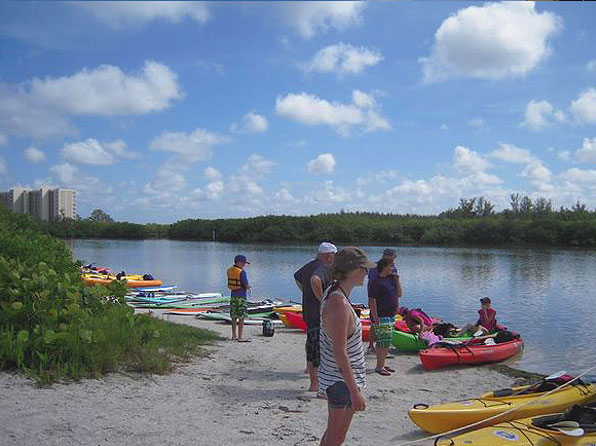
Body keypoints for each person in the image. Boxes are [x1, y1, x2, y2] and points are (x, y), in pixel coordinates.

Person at [318, 247, 374, 446]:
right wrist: (354, 390)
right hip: (340, 381)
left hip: (340, 378)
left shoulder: (335, 292)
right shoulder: (338, 304)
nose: (367, 274)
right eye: (364, 269)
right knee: (335, 438)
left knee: (334, 436)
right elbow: (339, 351)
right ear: (353, 270)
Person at [294, 242, 336, 391]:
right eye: (334, 256)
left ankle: (310, 373)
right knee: (318, 348)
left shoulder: (309, 265)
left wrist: (306, 292)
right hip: (319, 314)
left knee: (311, 344)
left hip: (309, 311)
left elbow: (297, 276)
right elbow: (315, 280)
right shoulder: (322, 268)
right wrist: (322, 300)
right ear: (329, 256)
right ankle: (315, 384)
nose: (335, 259)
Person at [369, 257, 402, 376]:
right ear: (384, 267)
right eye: (390, 266)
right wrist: (375, 316)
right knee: (382, 342)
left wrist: (397, 281)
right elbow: (372, 300)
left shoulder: (391, 279)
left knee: (387, 341)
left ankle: (382, 363)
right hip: (381, 315)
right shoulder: (376, 282)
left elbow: (399, 294)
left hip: (391, 315)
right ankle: (379, 366)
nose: (392, 268)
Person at [367, 248, 400, 352]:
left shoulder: (393, 268)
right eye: (392, 256)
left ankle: (384, 346)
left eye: (394, 257)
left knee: (387, 326)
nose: (394, 259)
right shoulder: (376, 267)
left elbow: (395, 286)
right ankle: (371, 345)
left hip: (389, 298)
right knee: (374, 322)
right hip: (377, 297)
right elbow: (372, 283)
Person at [227, 254, 251, 342]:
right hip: (241, 297)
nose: (244, 265)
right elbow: (246, 285)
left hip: (233, 296)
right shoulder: (242, 272)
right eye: (244, 263)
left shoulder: (230, 270)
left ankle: (233, 335)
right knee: (241, 317)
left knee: (233, 316)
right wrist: (248, 287)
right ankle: (240, 337)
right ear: (239, 263)